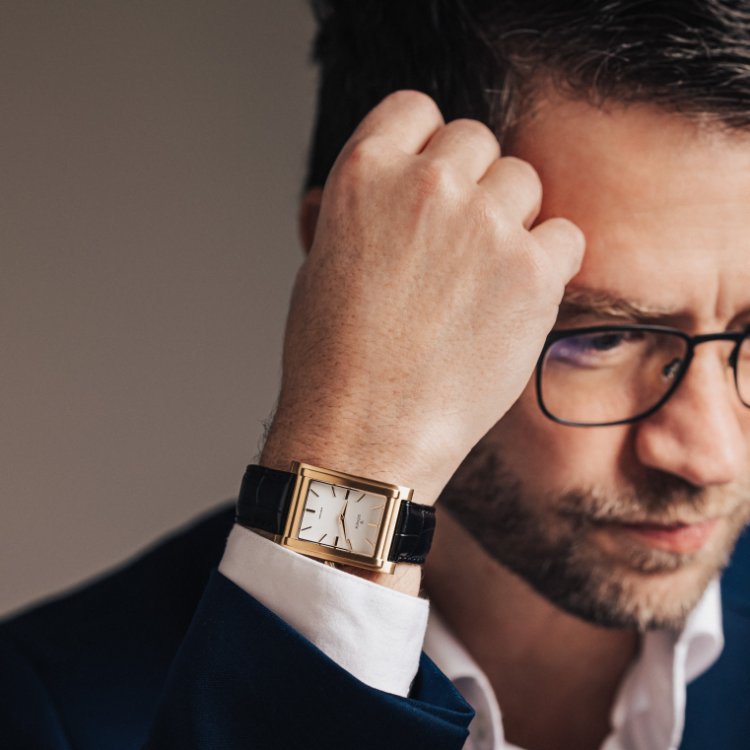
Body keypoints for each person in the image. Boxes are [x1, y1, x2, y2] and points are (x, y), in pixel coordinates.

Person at [2, 1, 750, 748]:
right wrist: (352, 457)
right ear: (355, 262)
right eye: (604, 337)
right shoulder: (50, 712)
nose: (712, 455)